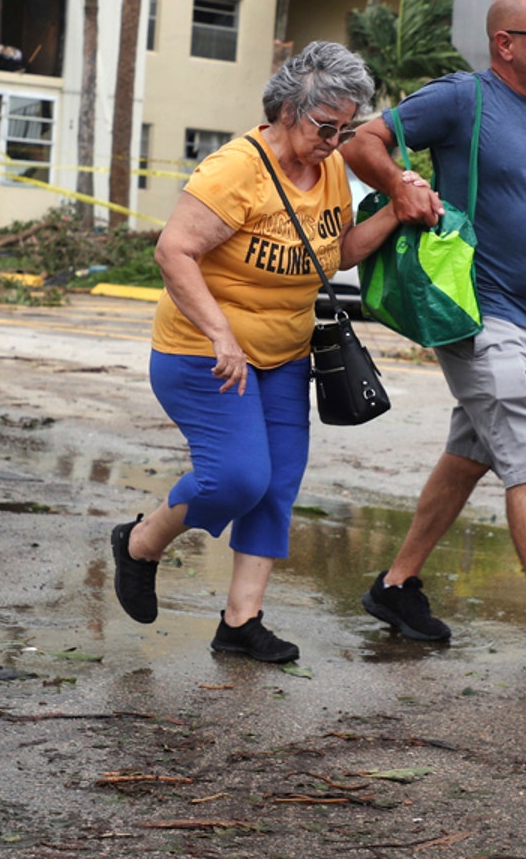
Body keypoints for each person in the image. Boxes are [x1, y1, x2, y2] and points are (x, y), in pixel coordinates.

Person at [341, 0, 526, 685]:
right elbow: (361, 140)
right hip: (474, 313)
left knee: (471, 450)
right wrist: (404, 182)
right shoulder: (463, 99)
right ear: (506, 44)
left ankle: (397, 585)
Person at [109, 41, 418, 664]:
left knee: (276, 486)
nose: (335, 143)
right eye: (324, 128)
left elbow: (337, 253)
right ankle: (141, 543)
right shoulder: (234, 171)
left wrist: (399, 210)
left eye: (345, 129)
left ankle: (241, 622)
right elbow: (173, 252)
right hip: (203, 353)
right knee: (237, 479)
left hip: (285, 355)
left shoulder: (329, 168)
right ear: (286, 112)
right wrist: (221, 332)